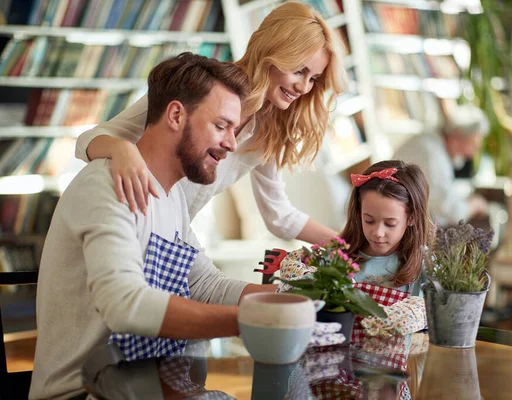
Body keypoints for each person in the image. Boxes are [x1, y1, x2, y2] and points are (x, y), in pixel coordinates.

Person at [30, 54, 274, 400]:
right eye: (221, 126)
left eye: (234, 130)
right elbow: (123, 302)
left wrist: (293, 301)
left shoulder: (170, 196)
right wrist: (248, 322)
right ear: (176, 115)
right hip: (85, 392)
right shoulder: (106, 186)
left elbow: (205, 282)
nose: (232, 144)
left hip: (148, 386)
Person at [74, 2, 347, 244]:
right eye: (299, 70)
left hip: (167, 237)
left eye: (313, 78)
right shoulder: (195, 85)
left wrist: (350, 247)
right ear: (271, 52)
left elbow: (279, 216)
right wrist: (123, 150)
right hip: (118, 221)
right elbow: (87, 141)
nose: (304, 87)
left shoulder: (267, 129)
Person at [340, 160, 432, 293]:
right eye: (369, 220)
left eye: (390, 224)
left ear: (412, 218)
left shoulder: (425, 264)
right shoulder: (340, 258)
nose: (378, 232)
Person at [393, 104, 490, 227]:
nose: (471, 154)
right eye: (473, 145)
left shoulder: (432, 143)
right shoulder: (432, 154)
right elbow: (450, 210)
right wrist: (474, 205)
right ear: (457, 136)